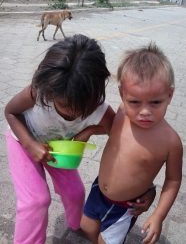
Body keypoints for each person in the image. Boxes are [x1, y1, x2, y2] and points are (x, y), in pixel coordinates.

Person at [4, 34, 115, 244]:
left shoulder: (99, 107)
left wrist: (89, 130)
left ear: (95, 93)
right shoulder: (40, 91)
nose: (71, 115)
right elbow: (10, 112)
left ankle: (76, 226)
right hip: (22, 140)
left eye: (79, 111)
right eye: (63, 107)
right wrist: (29, 144)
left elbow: (119, 134)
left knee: (75, 192)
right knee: (36, 201)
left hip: (57, 148)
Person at [81, 43, 183, 244]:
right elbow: (113, 130)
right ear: (122, 95)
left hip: (125, 207)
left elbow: (173, 181)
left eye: (155, 102)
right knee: (87, 227)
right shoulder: (122, 112)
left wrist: (158, 216)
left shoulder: (171, 141)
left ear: (169, 95)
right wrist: (91, 130)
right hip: (98, 191)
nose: (144, 112)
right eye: (135, 102)